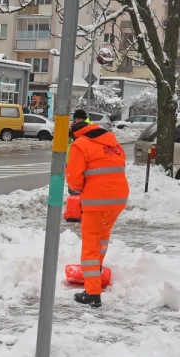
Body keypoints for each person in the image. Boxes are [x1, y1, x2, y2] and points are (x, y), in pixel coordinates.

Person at [65, 118, 129, 308]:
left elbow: (75, 180)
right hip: (118, 198)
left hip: (96, 200)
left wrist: (79, 186)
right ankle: (97, 269)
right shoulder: (113, 142)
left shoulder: (80, 144)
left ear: (77, 133)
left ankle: (92, 293)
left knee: (90, 244)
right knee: (102, 238)